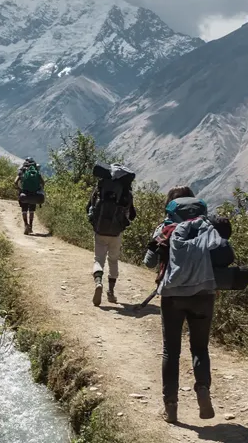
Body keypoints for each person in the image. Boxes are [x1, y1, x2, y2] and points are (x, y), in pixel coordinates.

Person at [142, 186, 233, 424]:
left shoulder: (166, 228)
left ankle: (170, 407)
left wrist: (158, 246)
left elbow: (149, 263)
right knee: (200, 348)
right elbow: (224, 257)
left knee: (170, 351)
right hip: (204, 294)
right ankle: (203, 389)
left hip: (172, 296)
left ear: (172, 205)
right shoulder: (208, 226)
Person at [86, 163, 137, 306]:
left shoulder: (100, 187)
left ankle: (98, 282)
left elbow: (88, 208)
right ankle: (111, 292)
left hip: (100, 229)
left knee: (98, 259)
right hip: (116, 232)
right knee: (113, 261)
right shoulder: (126, 192)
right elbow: (132, 215)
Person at [14, 157, 45, 235]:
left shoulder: (22, 171)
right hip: (34, 194)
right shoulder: (36, 172)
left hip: (24, 194)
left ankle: (25, 225)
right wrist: (40, 189)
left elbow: (15, 182)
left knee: (24, 210)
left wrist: (19, 189)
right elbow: (43, 183)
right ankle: (31, 226)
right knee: (31, 210)